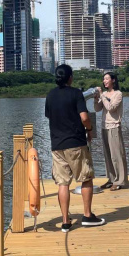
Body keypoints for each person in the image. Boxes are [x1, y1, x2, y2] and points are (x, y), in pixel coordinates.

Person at [45, 64, 107, 232]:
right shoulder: (76, 93)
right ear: (70, 77)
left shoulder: (50, 95)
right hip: (76, 143)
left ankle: (65, 221)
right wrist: (89, 130)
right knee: (86, 178)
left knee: (63, 183)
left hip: (57, 145)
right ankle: (87, 216)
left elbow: (49, 116)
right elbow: (85, 117)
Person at [94, 72, 128, 191]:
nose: (105, 81)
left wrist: (102, 96)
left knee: (116, 154)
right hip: (104, 126)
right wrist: (96, 98)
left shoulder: (118, 94)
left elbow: (111, 108)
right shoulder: (104, 94)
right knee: (108, 155)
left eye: (107, 78)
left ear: (113, 80)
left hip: (114, 126)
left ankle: (120, 180)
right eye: (104, 79)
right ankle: (112, 179)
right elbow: (97, 109)